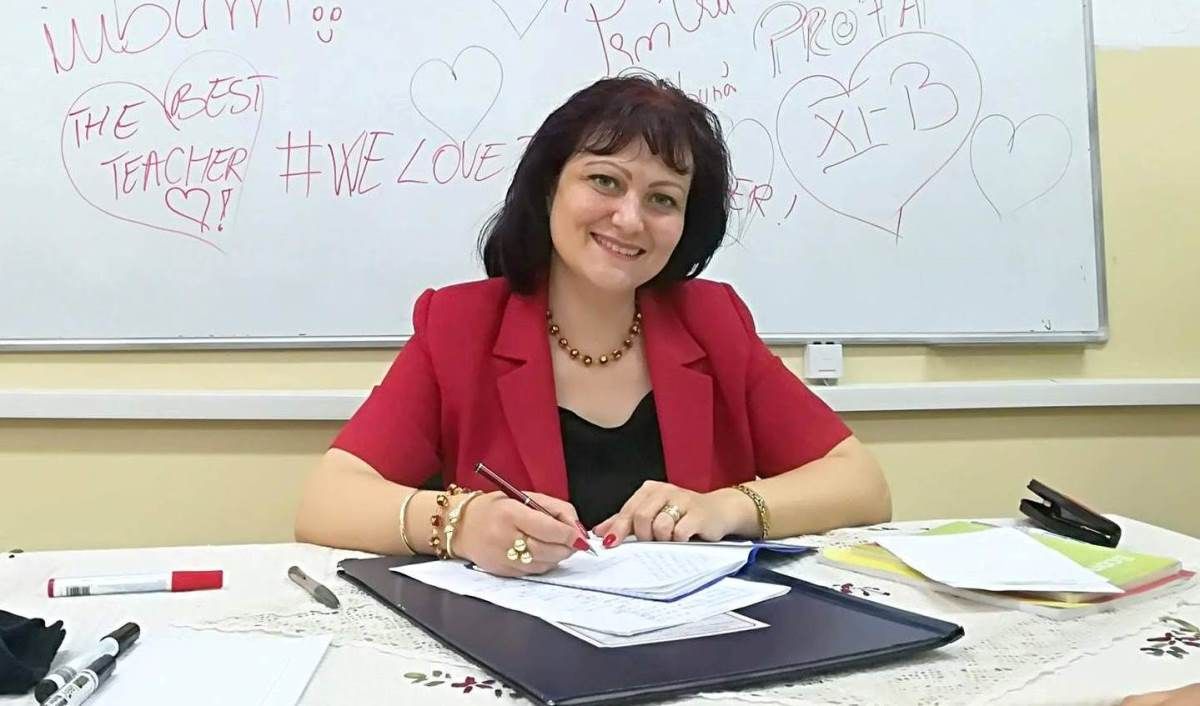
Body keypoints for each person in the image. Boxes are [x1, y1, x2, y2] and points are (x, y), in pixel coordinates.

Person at [294, 75, 891, 576]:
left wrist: (725, 508)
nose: (629, 219)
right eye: (605, 180)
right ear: (549, 186)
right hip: (516, 648)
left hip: (693, 640)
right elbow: (327, 500)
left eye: (663, 199)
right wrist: (460, 522)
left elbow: (861, 484)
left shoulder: (714, 322)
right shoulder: (458, 325)